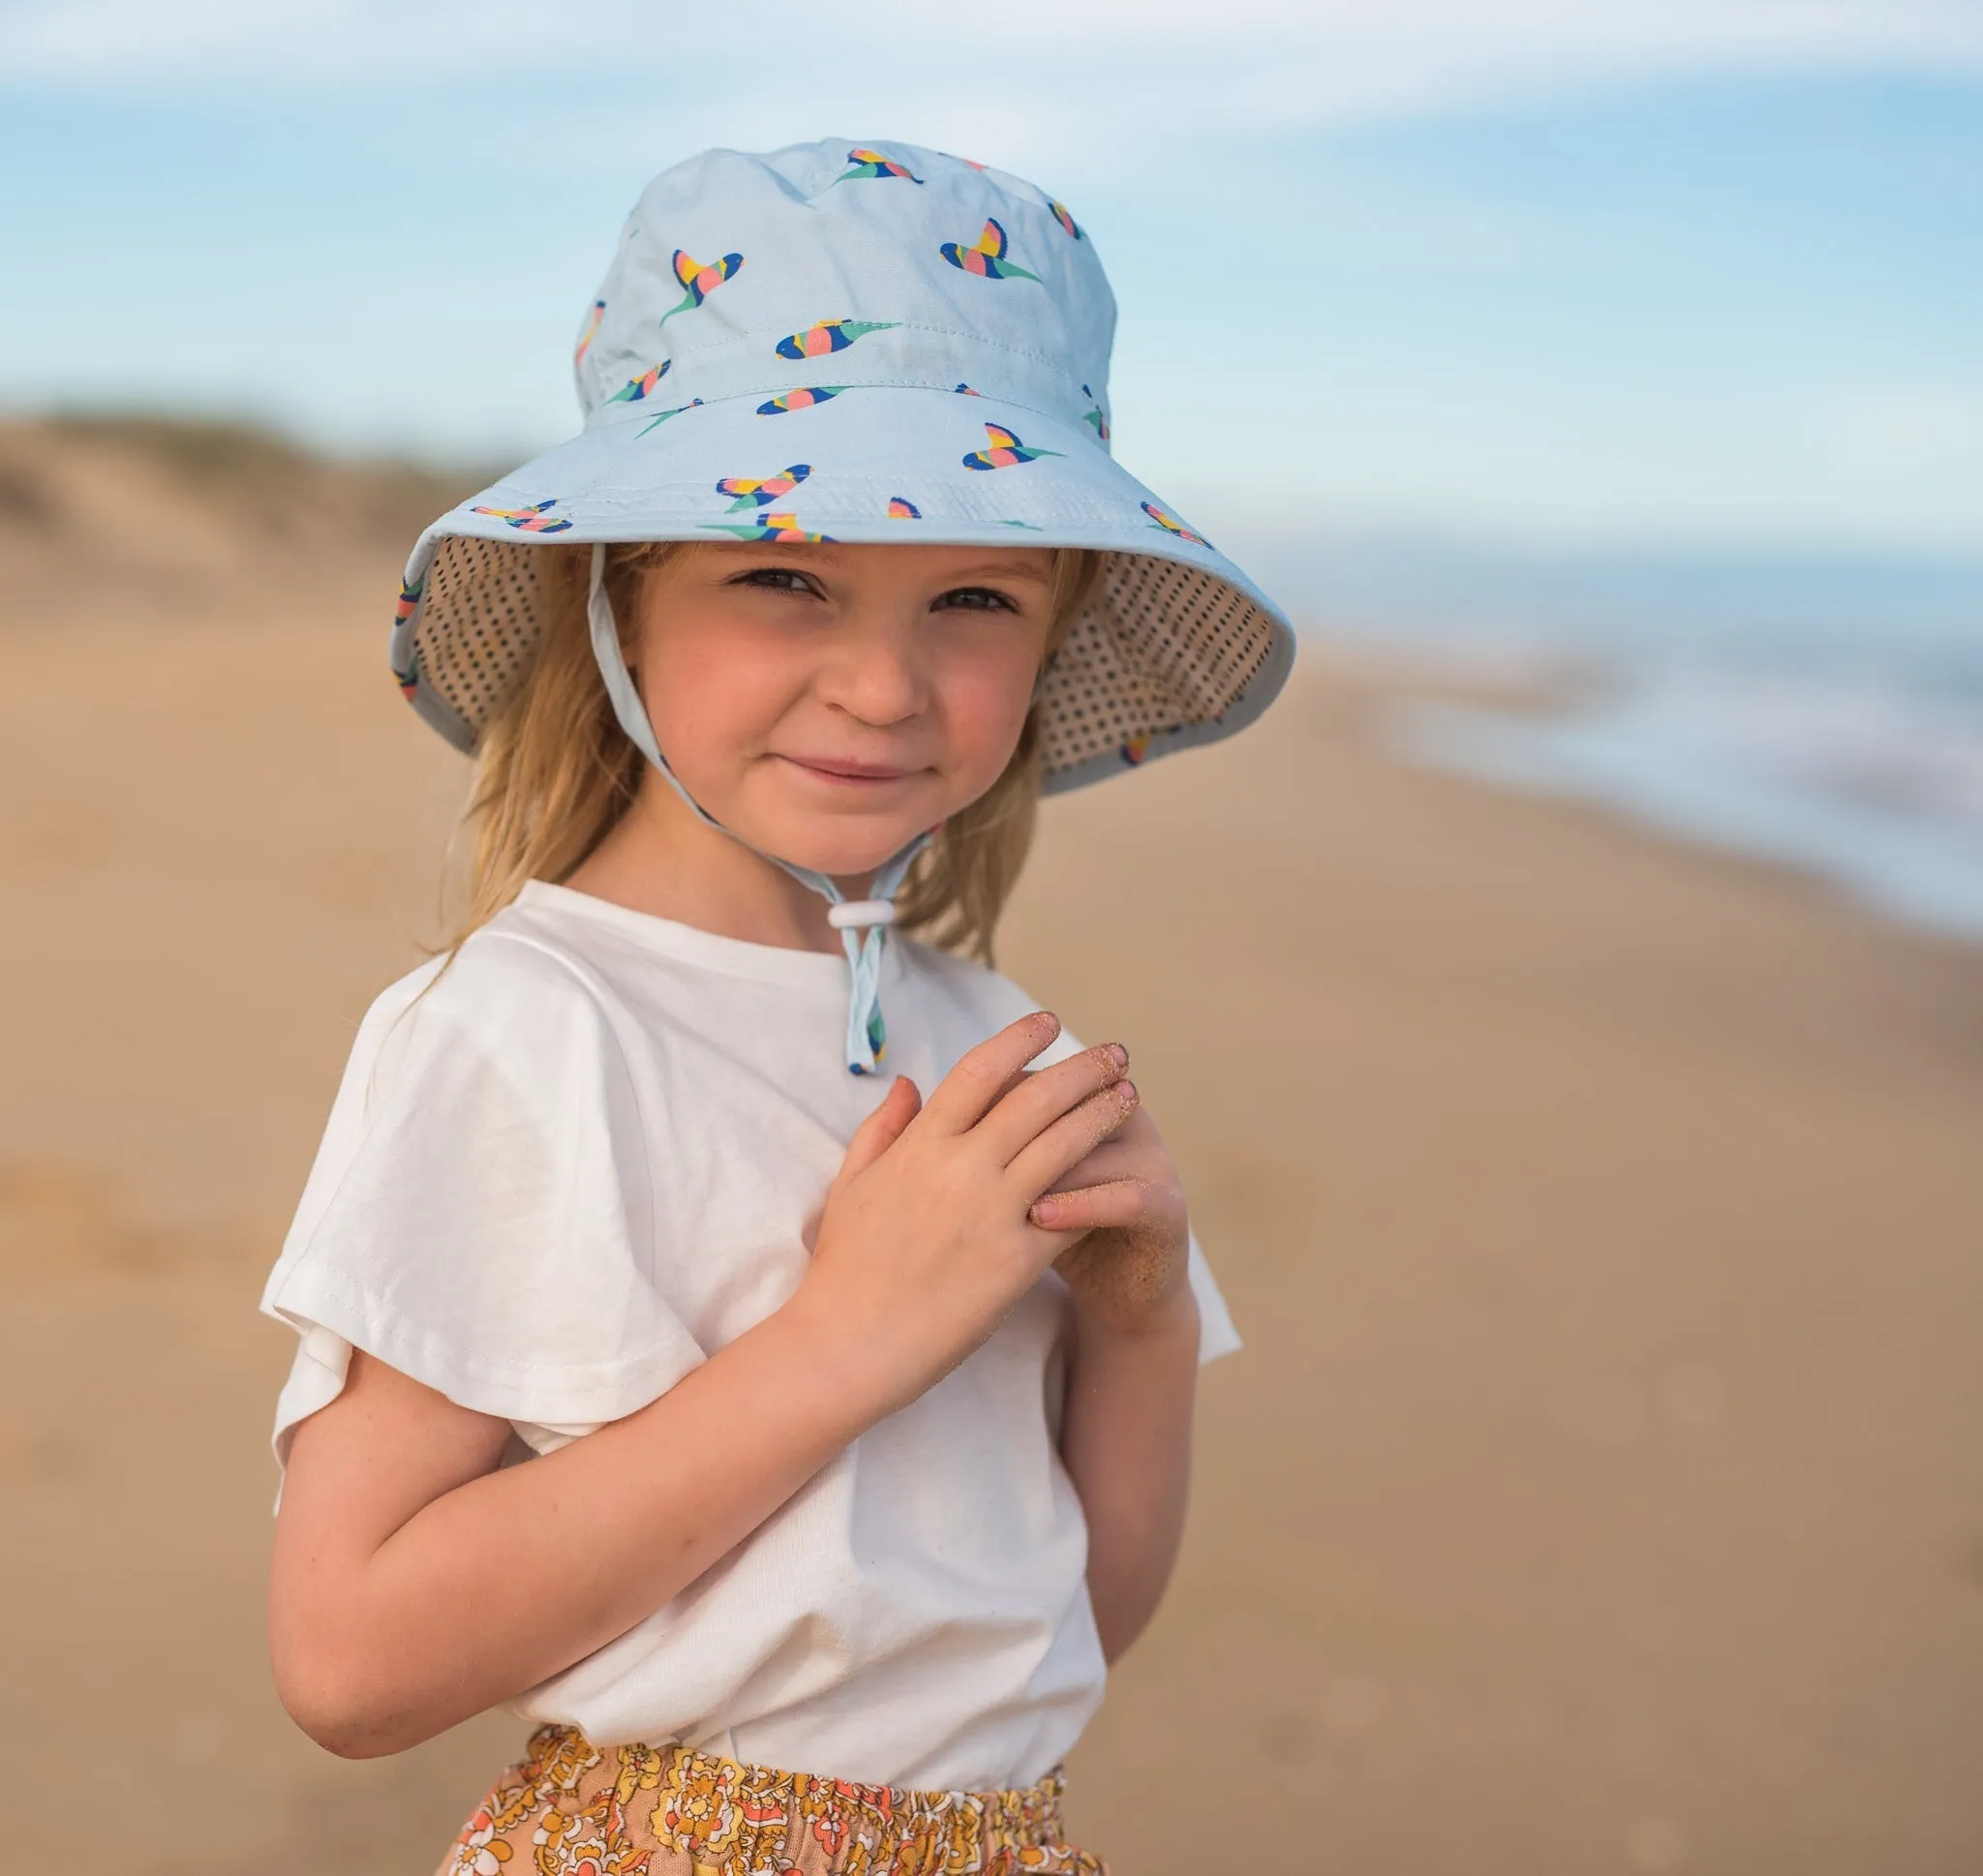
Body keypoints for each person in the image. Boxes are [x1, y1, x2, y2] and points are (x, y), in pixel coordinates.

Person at [260, 137, 1294, 1875]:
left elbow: (1062, 1630)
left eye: (975, 598)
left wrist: (1137, 1327)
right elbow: (350, 1657)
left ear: (1052, 639)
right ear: (621, 602)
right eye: (784, 575)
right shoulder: (534, 1025)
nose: (884, 683)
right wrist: (848, 1338)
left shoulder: (994, 1031)